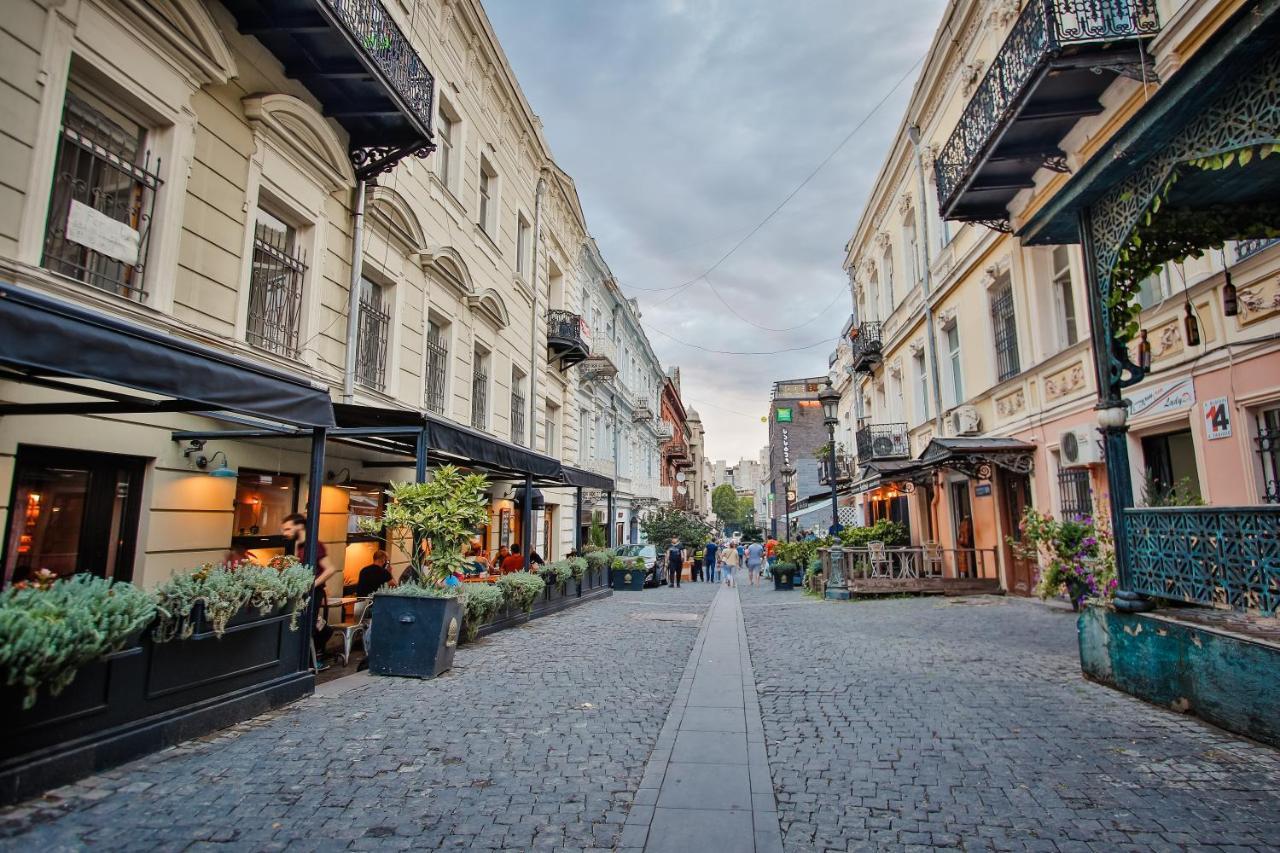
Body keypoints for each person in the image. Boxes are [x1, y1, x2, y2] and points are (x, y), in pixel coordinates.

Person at [282, 513, 340, 671]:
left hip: (313, 592)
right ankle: (308, 660)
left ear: (299, 526)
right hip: (302, 593)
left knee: (307, 626)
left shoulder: (315, 545)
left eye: (288, 529)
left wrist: (312, 585)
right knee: (303, 625)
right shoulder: (297, 546)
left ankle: (310, 662)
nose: (285, 533)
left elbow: (330, 569)